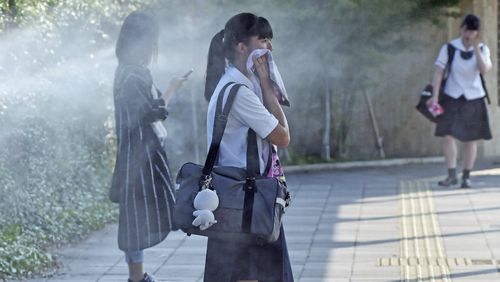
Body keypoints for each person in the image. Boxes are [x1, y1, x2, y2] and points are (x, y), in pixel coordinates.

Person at [203, 13, 293, 282]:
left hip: (238, 195)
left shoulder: (234, 84)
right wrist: (267, 84)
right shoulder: (241, 92)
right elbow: (283, 136)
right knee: (250, 273)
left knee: (242, 272)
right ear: (242, 47)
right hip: (247, 199)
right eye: (263, 40)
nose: (270, 48)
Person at [110, 11, 188, 282]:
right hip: (139, 159)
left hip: (137, 156)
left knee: (136, 219)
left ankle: (138, 277)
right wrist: (172, 88)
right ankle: (137, 278)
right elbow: (151, 113)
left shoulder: (130, 72)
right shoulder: (133, 76)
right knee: (136, 220)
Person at [428, 14, 492, 188]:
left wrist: (476, 48)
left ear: (477, 32)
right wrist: (434, 96)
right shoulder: (449, 47)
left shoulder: (483, 49)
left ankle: (466, 176)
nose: (468, 34)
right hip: (452, 96)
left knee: (470, 139)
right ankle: (451, 175)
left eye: (472, 31)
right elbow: (439, 72)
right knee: (447, 136)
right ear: (461, 28)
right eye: (465, 29)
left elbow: (484, 70)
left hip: (474, 97)